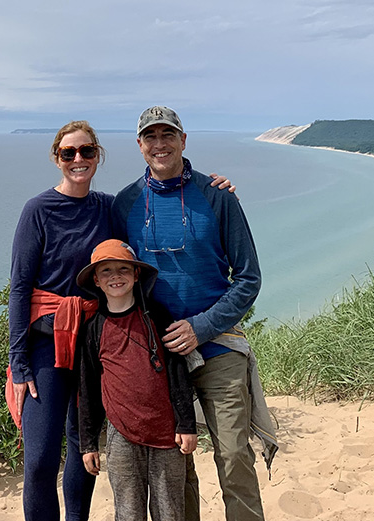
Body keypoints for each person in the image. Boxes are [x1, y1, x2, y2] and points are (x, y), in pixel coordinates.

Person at [8, 119, 234, 521]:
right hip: (47, 343)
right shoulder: (37, 210)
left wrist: (211, 187)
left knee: (83, 445)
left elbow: (140, 236)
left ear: (98, 156)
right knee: (41, 458)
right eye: (69, 153)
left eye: (87, 151)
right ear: (57, 159)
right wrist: (20, 363)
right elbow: (20, 289)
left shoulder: (108, 207)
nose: (79, 159)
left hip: (93, 341)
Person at [112, 106, 278, 521]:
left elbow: (248, 278)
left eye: (168, 135)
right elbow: (110, 270)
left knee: (233, 456)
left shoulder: (218, 196)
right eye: (150, 137)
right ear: (139, 146)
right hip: (160, 355)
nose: (160, 144)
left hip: (218, 347)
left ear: (183, 141)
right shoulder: (125, 203)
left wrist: (201, 327)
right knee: (175, 465)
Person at [76, 239, 197, 521]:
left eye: (123, 269)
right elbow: (89, 389)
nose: (115, 276)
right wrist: (88, 444)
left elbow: (178, 373)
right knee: (128, 512)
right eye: (106, 271)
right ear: (96, 279)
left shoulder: (158, 317)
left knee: (170, 511)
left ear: (136, 274)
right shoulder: (93, 329)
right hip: (121, 434)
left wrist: (187, 424)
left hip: (168, 432)